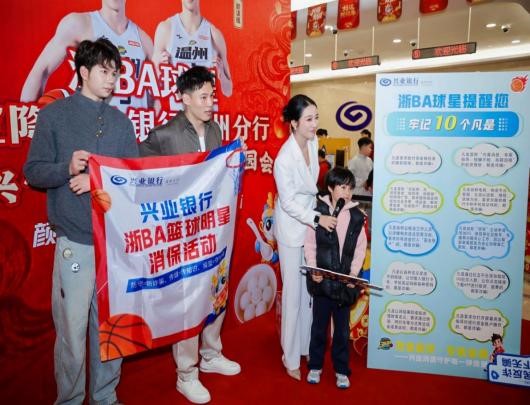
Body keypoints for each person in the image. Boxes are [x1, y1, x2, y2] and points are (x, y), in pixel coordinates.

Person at [24, 37, 138, 405]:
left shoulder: (122, 124)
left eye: (115, 72)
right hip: (75, 242)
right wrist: (67, 168)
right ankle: (70, 399)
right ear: (84, 72)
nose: (112, 79)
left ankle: (105, 396)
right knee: (72, 333)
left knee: (111, 330)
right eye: (104, 71)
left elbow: (132, 179)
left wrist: (95, 181)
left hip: (115, 245)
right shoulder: (53, 116)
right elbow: (32, 171)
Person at [139, 66, 240, 404]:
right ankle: (187, 373)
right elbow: (140, 176)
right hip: (181, 234)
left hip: (212, 229)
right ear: (184, 98)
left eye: (213, 96)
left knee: (215, 290)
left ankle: (211, 354)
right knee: (187, 300)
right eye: (204, 97)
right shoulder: (164, 135)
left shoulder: (215, 130)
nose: (211, 103)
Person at [273, 94, 337, 381]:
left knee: (309, 290)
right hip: (291, 229)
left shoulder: (313, 142)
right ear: (294, 123)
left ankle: (306, 347)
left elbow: (312, 188)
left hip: (310, 224)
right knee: (293, 295)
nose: (314, 124)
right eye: (309, 119)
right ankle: (289, 356)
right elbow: (288, 203)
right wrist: (317, 218)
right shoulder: (284, 159)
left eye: (316, 118)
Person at [20, 0, 153, 113]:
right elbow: (40, 71)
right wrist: (28, 120)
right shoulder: (79, 24)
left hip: (131, 131)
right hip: (92, 129)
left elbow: (152, 100)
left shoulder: (144, 41)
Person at [304, 167, 367, 389]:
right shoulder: (318, 212)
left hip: (344, 285)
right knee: (318, 328)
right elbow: (310, 244)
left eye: (350, 188)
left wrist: (353, 275)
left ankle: (341, 370)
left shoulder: (357, 217)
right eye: (342, 187)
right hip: (322, 283)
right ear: (330, 188)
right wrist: (314, 269)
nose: (347, 192)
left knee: (341, 331)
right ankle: (315, 366)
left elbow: (360, 249)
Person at [153, 0, 233, 112]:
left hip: (206, 115)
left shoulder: (214, 34)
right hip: (178, 115)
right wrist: (160, 69)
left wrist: (221, 75)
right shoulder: (166, 29)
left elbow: (228, 91)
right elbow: (151, 83)